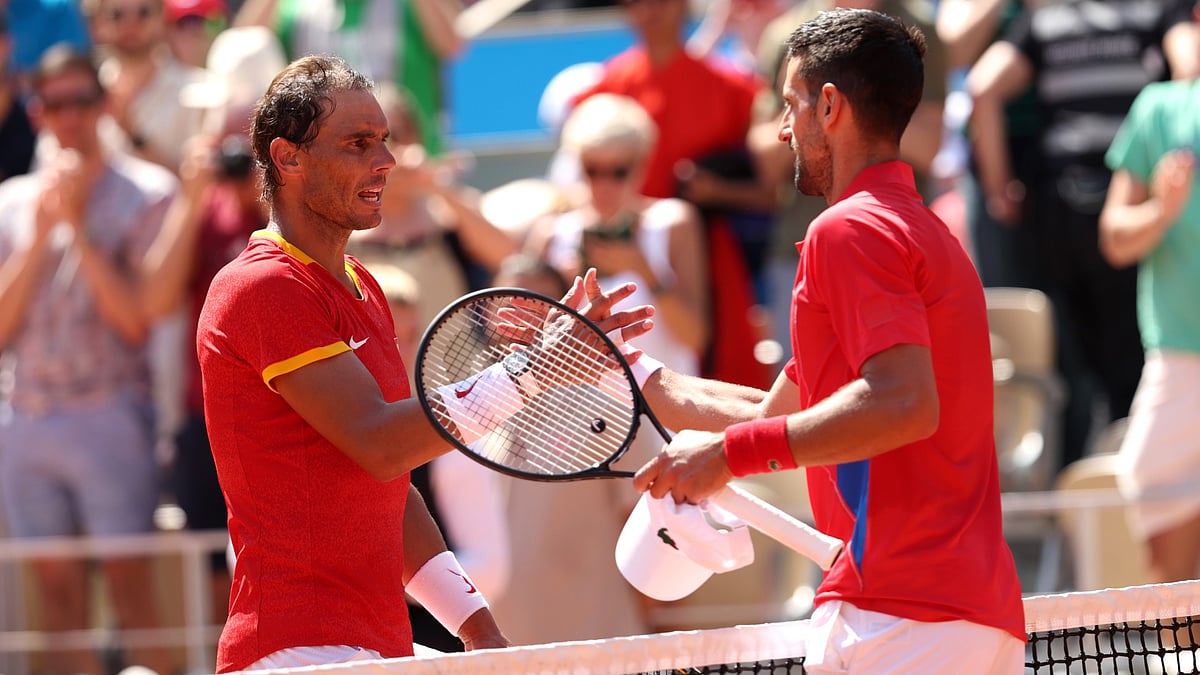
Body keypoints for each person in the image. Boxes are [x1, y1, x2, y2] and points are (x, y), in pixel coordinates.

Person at [196, 54, 651, 671]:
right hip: (294, 651)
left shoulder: (363, 285)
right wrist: (536, 369)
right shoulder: (261, 286)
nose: (386, 160)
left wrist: (480, 631)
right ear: (288, 158)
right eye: (358, 143)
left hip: (369, 649)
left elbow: (390, 484)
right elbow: (381, 443)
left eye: (383, 139)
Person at [626, 10, 1025, 673]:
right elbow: (774, 417)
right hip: (963, 616)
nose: (783, 128)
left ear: (831, 106)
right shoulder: (925, 233)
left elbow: (903, 403)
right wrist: (623, 369)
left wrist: (727, 457)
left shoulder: (850, 230)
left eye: (790, 104)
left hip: (900, 617)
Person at [0, 45, 175, 675]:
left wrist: (76, 226)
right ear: (37, 112)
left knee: (133, 593)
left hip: (111, 413)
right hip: (26, 416)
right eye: (54, 104)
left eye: (82, 100)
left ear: (103, 104)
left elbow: (135, 319)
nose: (69, 116)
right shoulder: (11, 202)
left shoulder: (148, 192)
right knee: (55, 597)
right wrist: (43, 231)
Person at [965, 0, 1199, 468]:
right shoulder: (1155, 12)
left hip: (1061, 212)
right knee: (1130, 369)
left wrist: (998, 188)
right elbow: (1188, 69)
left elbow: (981, 88)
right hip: (1136, 204)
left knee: (1072, 369)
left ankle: (1080, 477)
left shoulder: (1047, 20)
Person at [369, 262, 513, 653]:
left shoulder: (450, 444)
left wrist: (372, 584)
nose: (401, 352)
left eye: (410, 336)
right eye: (385, 338)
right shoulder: (304, 425)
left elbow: (489, 570)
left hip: (433, 650)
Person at [1100, 73, 1200, 585]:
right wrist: (1162, 210)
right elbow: (1115, 239)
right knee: (1173, 596)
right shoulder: (1159, 110)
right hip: (1178, 362)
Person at [233, 0, 466, 155]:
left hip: (407, 161)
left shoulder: (411, 4)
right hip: (324, 163)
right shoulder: (294, 7)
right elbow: (242, 44)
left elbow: (452, 44)